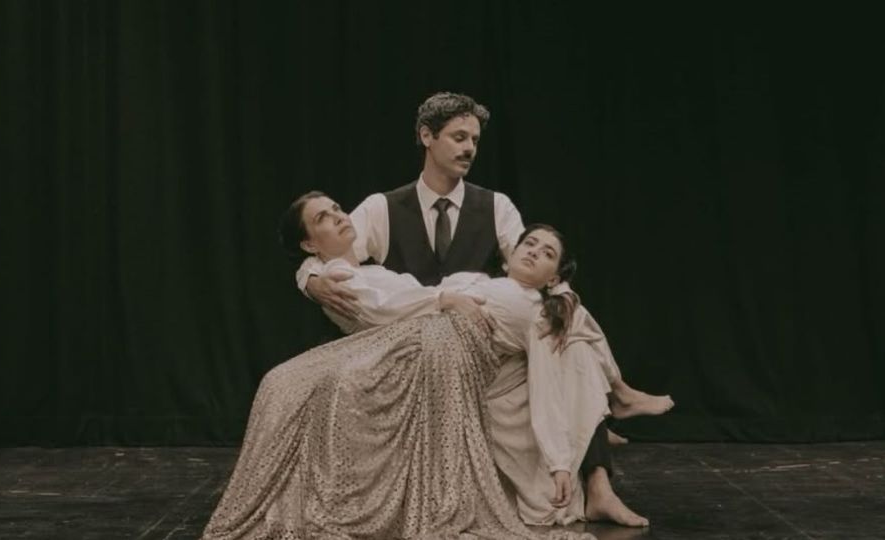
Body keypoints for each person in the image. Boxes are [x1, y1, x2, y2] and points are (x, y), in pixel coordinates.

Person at [297, 92, 670, 527]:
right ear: (426, 136)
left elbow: (537, 262)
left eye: (474, 139)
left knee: (565, 336)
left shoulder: (496, 206)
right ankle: (610, 406)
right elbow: (334, 253)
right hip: (420, 348)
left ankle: (600, 485)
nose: (469, 148)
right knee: (566, 341)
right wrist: (310, 278)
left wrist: (564, 296)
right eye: (458, 137)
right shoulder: (383, 207)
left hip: (485, 352)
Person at [203, 192, 597, 540]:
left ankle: (609, 424)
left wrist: (560, 293)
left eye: (337, 208)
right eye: (324, 217)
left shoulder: (374, 270)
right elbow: (384, 306)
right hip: (415, 342)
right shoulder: (342, 270)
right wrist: (443, 300)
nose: (340, 216)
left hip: (447, 340)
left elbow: (549, 369)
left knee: (582, 347)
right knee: (288, 382)